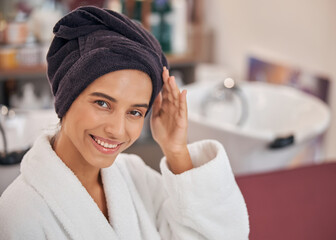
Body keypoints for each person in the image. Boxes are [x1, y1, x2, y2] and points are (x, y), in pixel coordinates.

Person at [0, 6, 249, 240]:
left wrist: (176, 150)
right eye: (102, 104)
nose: (117, 130)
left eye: (135, 112)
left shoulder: (134, 175)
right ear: (66, 97)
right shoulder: (19, 213)